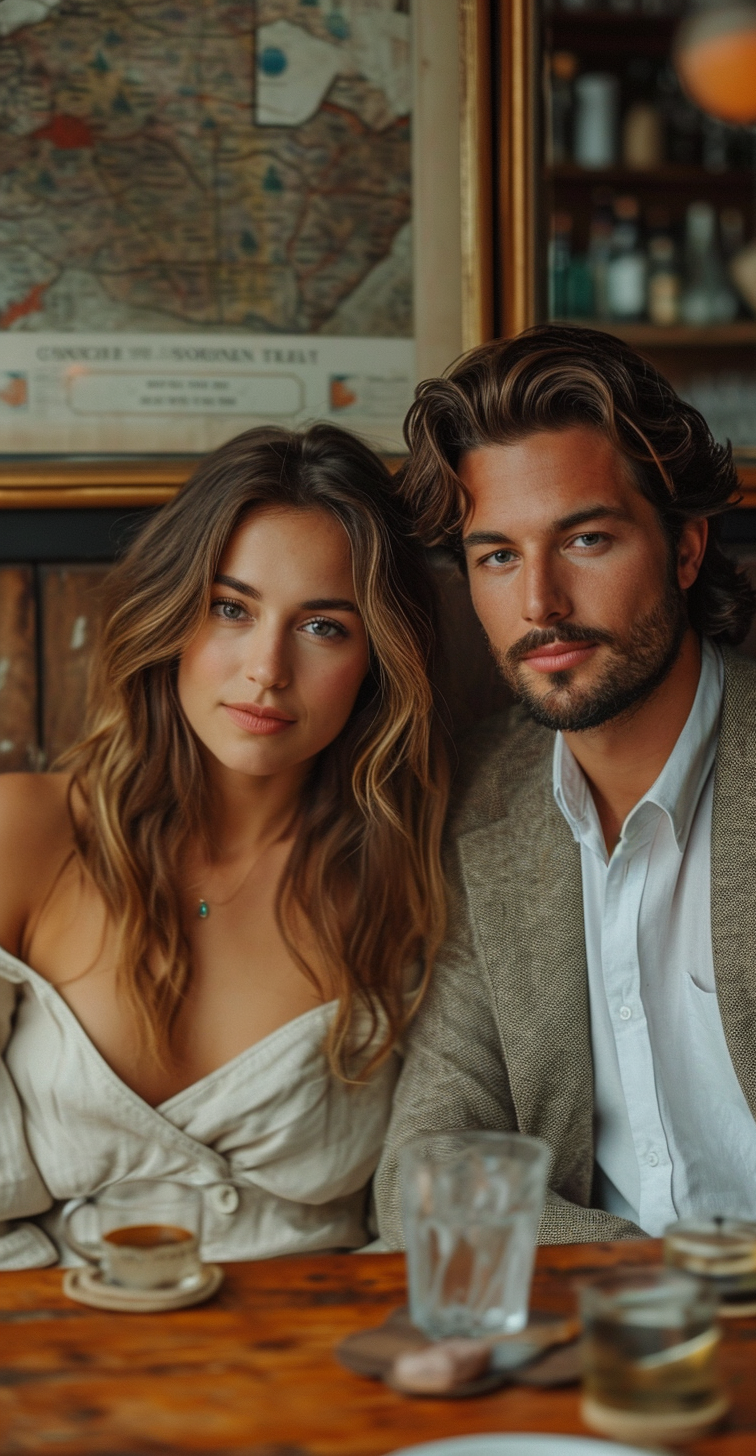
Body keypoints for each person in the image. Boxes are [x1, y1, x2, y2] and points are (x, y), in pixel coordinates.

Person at [374, 323, 756, 1246]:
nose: (539, 601)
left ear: (686, 551)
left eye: (584, 538)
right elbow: (431, 1166)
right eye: (497, 555)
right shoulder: (478, 801)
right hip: (597, 1328)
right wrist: (646, 1286)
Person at [0, 424, 447, 1269]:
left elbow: (444, 1201)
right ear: (170, 615)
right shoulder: (24, 836)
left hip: (325, 1363)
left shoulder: (414, 875)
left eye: (323, 627)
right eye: (230, 609)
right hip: (52, 1360)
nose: (266, 669)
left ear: (378, 661)